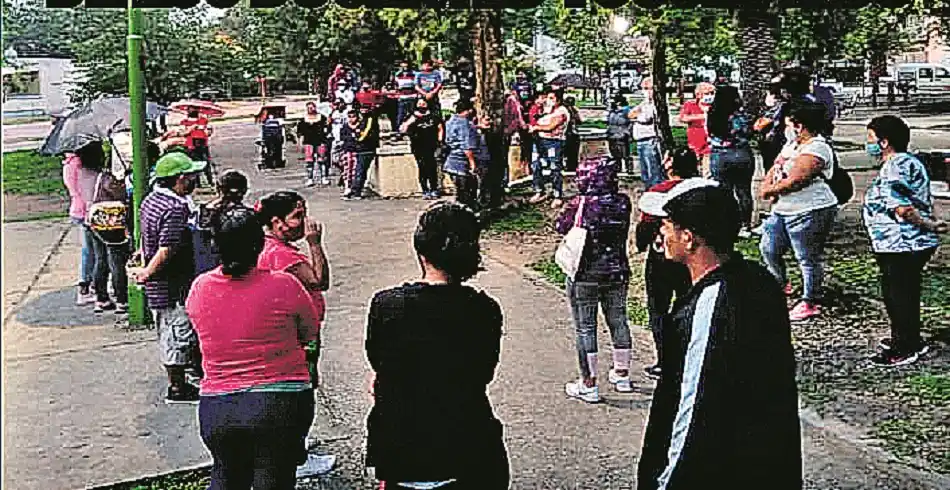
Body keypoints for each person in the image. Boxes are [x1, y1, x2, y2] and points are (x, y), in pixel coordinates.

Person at [635, 178, 802, 490]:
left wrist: (665, 481)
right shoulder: (757, 280)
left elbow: (693, 407)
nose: (662, 233)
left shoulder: (711, 305)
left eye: (668, 225)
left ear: (689, 238)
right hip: (765, 462)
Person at [366, 201, 509, 489]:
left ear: (421, 250)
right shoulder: (484, 310)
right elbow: (484, 372)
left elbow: (378, 360)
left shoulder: (387, 304)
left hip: (401, 450)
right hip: (470, 445)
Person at [186, 207, 320, 490]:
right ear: (260, 245)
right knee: (273, 475)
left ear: (215, 245)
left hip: (218, 408)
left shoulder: (200, 288)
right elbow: (309, 332)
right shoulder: (285, 285)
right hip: (280, 402)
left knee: (226, 474)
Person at [863, 115, 948, 366]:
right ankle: (907, 337)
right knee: (901, 292)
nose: (868, 145)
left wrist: (930, 225)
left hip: (902, 242)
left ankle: (905, 345)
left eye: (871, 139)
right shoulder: (905, 162)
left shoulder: (896, 166)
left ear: (884, 142)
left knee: (899, 295)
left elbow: (902, 208)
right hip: (899, 242)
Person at [128, 152, 207, 404]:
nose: (195, 180)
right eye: (192, 176)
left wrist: (143, 260)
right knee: (176, 334)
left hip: (161, 282)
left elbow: (147, 236)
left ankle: (184, 378)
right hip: (172, 284)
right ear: (180, 178)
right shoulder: (175, 208)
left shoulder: (151, 200)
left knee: (171, 330)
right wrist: (147, 272)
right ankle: (177, 387)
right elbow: (167, 247)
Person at [554, 159, 633, 402]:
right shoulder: (623, 202)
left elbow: (560, 226)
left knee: (586, 328)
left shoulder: (580, 204)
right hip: (617, 272)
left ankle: (588, 384)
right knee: (618, 321)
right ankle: (622, 375)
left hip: (585, 274)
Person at [758, 102, 838, 322]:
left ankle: (810, 300)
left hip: (809, 208)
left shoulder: (817, 148)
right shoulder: (792, 145)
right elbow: (776, 166)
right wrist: (767, 185)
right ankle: (780, 283)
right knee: (769, 247)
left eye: (789, 125)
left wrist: (770, 190)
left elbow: (797, 179)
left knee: (806, 256)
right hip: (783, 209)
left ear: (799, 126)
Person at [255, 191, 331, 386]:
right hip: (298, 331)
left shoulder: (266, 246)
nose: (305, 223)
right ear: (277, 222)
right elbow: (320, 281)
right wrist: (314, 244)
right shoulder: (282, 255)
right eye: (298, 216)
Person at [634, 148, 696, 379]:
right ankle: (689, 357)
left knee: (658, 308)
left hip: (661, 257)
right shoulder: (700, 189)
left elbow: (646, 225)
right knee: (688, 304)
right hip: (692, 257)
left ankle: (665, 361)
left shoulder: (659, 192)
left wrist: (641, 244)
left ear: (670, 165)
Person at [706, 85, 754, 234]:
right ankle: (745, 225)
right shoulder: (741, 115)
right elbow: (749, 132)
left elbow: (711, 132)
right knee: (744, 190)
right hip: (741, 153)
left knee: (723, 191)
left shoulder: (713, 114)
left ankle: (726, 223)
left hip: (720, 154)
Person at [86, 153, 130, 314]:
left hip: (95, 221)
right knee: (117, 261)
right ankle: (122, 299)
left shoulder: (101, 176)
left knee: (101, 259)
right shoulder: (114, 180)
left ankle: (101, 298)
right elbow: (122, 195)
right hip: (112, 224)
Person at [63, 144, 101, 305]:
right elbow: (87, 190)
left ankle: (88, 285)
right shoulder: (80, 165)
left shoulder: (69, 164)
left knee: (89, 249)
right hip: (86, 211)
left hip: (79, 209)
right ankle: (87, 286)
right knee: (93, 251)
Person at [194, 169, 250, 276]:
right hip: (240, 268)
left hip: (205, 266)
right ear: (244, 191)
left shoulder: (201, 212)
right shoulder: (248, 216)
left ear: (218, 189)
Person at [528, 89, 571, 208]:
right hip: (539, 141)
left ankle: (557, 195)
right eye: (548, 98)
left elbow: (551, 126)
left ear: (558, 100)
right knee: (536, 165)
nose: (548, 100)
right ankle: (539, 190)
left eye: (552, 98)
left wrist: (536, 128)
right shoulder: (545, 110)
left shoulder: (561, 111)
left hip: (554, 142)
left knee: (554, 167)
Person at [401, 97, 445, 199]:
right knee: (422, 168)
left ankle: (434, 188)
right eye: (419, 104)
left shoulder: (433, 116)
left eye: (423, 104)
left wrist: (440, 141)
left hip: (431, 145)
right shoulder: (411, 116)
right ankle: (425, 189)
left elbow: (440, 128)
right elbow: (402, 129)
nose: (421, 106)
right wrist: (410, 121)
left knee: (432, 167)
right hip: (418, 146)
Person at [443, 100, 480, 210]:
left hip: (452, 161)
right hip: (461, 162)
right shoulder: (464, 124)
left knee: (460, 192)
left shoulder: (451, 121)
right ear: (469, 110)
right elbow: (466, 146)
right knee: (467, 194)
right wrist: (472, 163)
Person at [630, 77, 663, 188]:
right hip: (640, 140)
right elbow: (630, 115)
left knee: (653, 172)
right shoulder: (644, 103)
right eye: (644, 88)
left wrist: (638, 115)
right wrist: (637, 113)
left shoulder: (655, 104)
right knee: (645, 173)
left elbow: (646, 118)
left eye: (649, 88)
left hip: (650, 140)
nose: (647, 92)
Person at [678, 82, 715, 175]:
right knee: (693, 170)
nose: (710, 95)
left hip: (710, 144)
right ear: (698, 94)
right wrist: (702, 116)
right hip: (695, 143)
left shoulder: (715, 106)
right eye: (707, 93)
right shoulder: (690, 104)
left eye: (712, 93)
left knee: (707, 171)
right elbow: (683, 118)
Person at [346, 103, 380, 200]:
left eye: (365, 108)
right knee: (359, 170)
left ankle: (357, 191)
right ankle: (355, 189)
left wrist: (358, 139)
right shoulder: (362, 119)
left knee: (360, 171)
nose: (363, 110)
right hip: (361, 148)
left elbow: (365, 133)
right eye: (361, 108)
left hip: (367, 148)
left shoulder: (370, 119)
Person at [297, 102, 331, 186]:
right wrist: (300, 143)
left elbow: (327, 128)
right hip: (308, 141)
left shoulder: (322, 117)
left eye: (312, 107)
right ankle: (310, 179)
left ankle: (323, 177)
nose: (310, 109)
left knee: (322, 160)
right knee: (309, 161)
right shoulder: (303, 119)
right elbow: (300, 132)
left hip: (321, 141)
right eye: (309, 108)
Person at [180, 109, 214, 186]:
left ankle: (210, 181)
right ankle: (197, 183)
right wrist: (191, 128)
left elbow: (208, 133)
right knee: (194, 164)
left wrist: (208, 130)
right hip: (190, 146)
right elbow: (182, 133)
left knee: (206, 163)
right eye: (190, 108)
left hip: (203, 145)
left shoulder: (203, 120)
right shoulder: (184, 122)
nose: (192, 110)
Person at [605, 94, 633, 173]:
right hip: (612, 134)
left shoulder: (627, 111)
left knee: (625, 154)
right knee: (615, 155)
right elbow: (608, 122)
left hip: (622, 135)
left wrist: (628, 133)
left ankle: (629, 169)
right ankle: (617, 169)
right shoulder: (612, 111)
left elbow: (630, 123)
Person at [393, 60, 418, 136]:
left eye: (406, 66)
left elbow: (417, 85)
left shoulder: (414, 74)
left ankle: (412, 130)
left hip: (412, 96)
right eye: (403, 66)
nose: (404, 68)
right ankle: (399, 131)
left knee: (412, 114)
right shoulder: (398, 74)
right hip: (402, 97)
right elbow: (396, 85)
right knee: (400, 115)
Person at [329, 99, 348, 185]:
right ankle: (343, 172)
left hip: (344, 139)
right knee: (334, 160)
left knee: (345, 159)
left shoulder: (347, 112)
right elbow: (328, 123)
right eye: (336, 104)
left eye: (339, 103)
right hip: (335, 139)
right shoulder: (334, 113)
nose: (338, 105)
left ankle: (345, 176)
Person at [563, 96, 583, 172]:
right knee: (569, 150)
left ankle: (572, 165)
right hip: (568, 132)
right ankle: (570, 165)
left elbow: (579, 121)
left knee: (573, 150)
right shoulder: (566, 110)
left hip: (573, 133)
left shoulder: (574, 110)